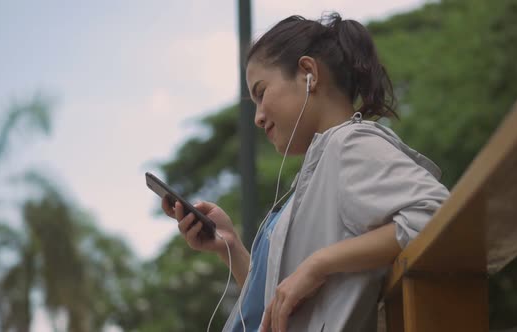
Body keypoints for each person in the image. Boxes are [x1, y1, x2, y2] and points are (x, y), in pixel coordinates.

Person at [162, 12, 450, 332]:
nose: (258, 117)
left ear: (308, 73)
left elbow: (437, 216)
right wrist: (230, 246)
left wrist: (318, 264)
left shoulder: (349, 143)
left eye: (261, 92)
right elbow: (277, 308)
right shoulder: (316, 171)